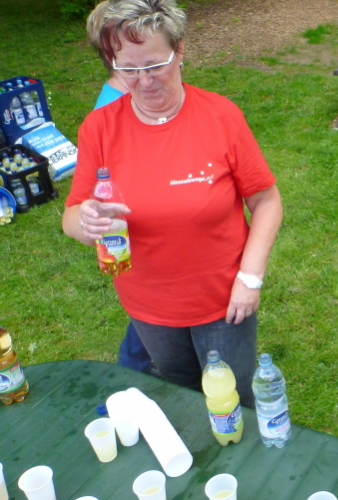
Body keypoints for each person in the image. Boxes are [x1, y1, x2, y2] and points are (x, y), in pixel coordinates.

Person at [63, 0, 283, 408]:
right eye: (128, 69)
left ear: (179, 50)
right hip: (149, 307)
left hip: (224, 302)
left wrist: (250, 279)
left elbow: (267, 200)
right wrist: (86, 221)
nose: (144, 81)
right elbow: (72, 216)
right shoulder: (99, 128)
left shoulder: (220, 116)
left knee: (234, 400)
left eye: (154, 65)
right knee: (182, 397)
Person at [88, 1, 157, 377]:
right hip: (141, 242)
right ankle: (129, 377)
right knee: (149, 318)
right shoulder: (113, 110)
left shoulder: (136, 92)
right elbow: (106, 189)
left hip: (155, 240)